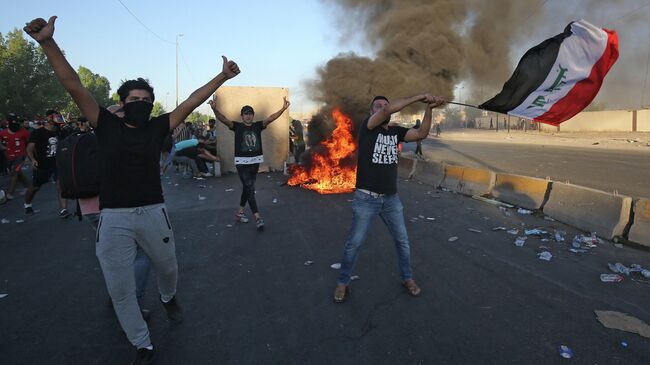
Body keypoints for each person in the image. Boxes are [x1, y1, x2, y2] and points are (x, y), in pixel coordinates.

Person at [24, 15, 240, 364]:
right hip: (114, 218)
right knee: (120, 289)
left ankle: (168, 298)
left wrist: (222, 76)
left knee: (168, 271)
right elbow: (74, 85)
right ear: (122, 102)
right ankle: (143, 344)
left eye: (145, 97)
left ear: (150, 104)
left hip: (154, 213)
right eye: (133, 97)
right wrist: (47, 43)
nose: (139, 101)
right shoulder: (104, 124)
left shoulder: (157, 126)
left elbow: (191, 101)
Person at [332, 93, 446, 303]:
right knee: (354, 244)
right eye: (379, 106)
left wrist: (429, 108)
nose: (384, 107)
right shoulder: (369, 127)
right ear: (371, 112)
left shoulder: (395, 132)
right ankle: (343, 282)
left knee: (402, 241)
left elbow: (421, 133)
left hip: (391, 200)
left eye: (386, 104)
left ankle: (407, 278)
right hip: (366, 199)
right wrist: (421, 95)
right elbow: (387, 111)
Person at [208, 94, 289, 231]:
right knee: (250, 187)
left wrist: (283, 109)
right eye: (245, 114)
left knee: (248, 187)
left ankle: (239, 213)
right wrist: (214, 109)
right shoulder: (237, 126)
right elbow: (223, 119)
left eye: (250, 114)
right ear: (241, 116)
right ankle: (258, 217)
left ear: (253, 115)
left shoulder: (258, 125)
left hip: (255, 160)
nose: (248, 116)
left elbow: (271, 118)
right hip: (242, 162)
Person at [24, 109, 70, 217]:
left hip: (58, 163)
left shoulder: (60, 131)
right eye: (55, 116)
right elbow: (30, 148)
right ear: (49, 117)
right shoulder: (38, 132)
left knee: (61, 185)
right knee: (35, 187)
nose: (58, 118)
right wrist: (33, 160)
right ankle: (27, 204)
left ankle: (64, 210)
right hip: (43, 164)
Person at [0, 113, 32, 200]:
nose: (16, 125)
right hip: (9, 157)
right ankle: (28, 186)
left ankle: (9, 194)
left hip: (21, 156)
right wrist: (4, 147)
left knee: (14, 172)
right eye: (14, 123)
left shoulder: (24, 132)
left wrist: (30, 157)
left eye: (17, 123)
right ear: (8, 123)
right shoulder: (3, 133)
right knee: (16, 173)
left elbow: (30, 144)